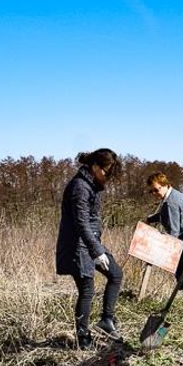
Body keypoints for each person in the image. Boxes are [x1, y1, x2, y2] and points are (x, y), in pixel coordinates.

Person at [55, 149, 124, 349]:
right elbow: (81, 223)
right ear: (95, 166)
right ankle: (83, 337)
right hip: (78, 246)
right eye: (106, 172)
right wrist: (97, 251)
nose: (108, 177)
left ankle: (106, 321)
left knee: (116, 274)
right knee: (87, 290)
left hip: (91, 243)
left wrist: (96, 247)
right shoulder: (80, 187)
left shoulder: (90, 185)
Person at [144, 172, 183, 295]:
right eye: (151, 192)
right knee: (182, 268)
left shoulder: (171, 202)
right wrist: (149, 219)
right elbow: (164, 215)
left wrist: (164, 249)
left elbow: (174, 231)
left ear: (165, 185)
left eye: (156, 190)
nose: (154, 194)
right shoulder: (171, 196)